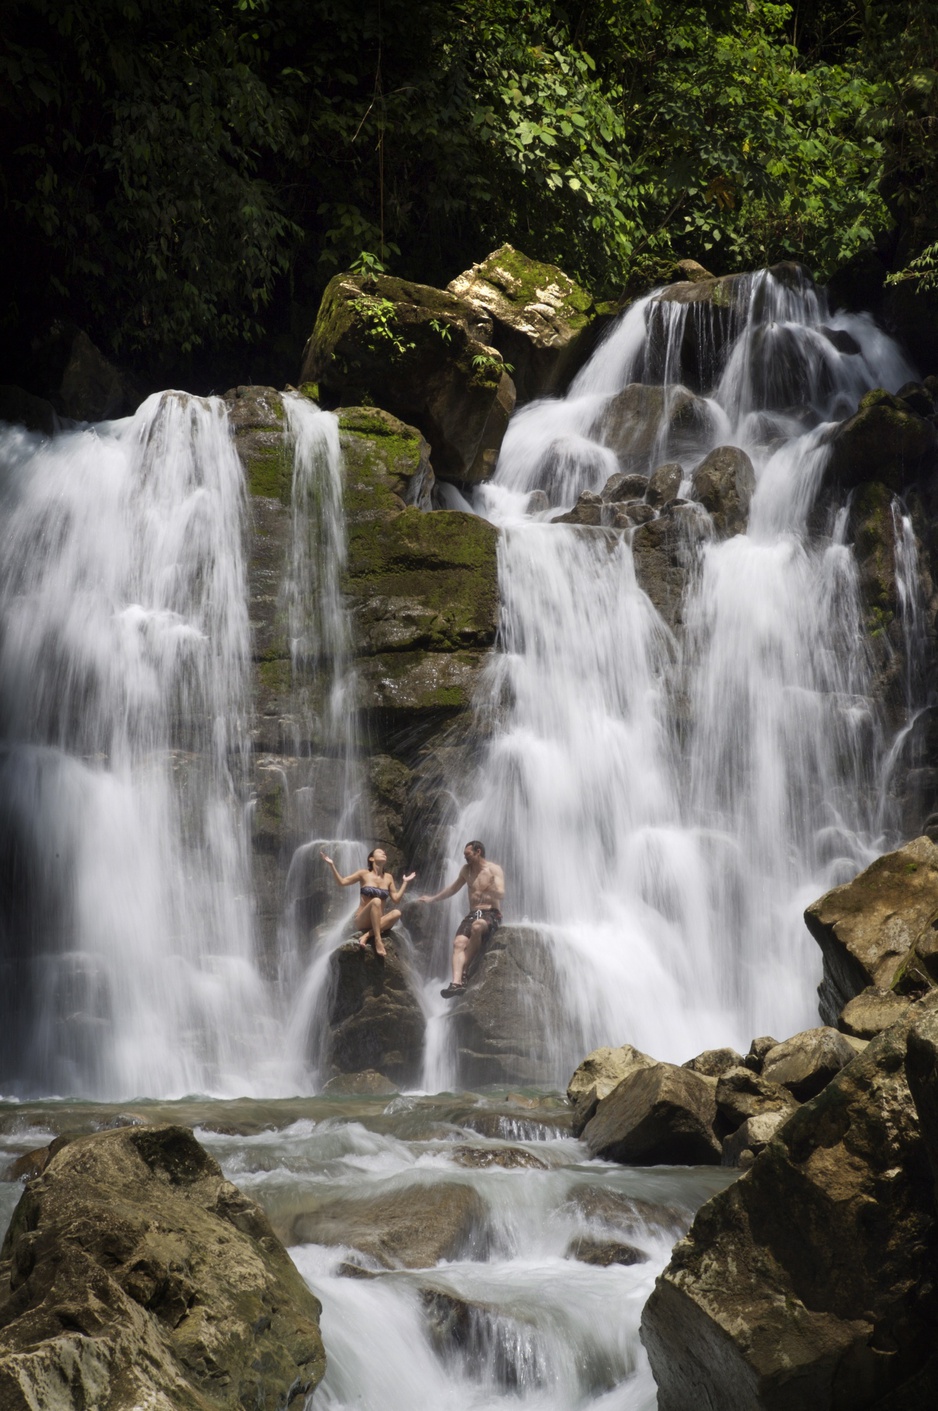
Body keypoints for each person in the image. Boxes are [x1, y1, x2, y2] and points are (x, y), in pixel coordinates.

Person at [417, 840, 505, 998]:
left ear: (478, 852)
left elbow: (501, 893)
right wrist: (433, 899)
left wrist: (489, 893)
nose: (465, 858)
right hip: (473, 913)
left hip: (491, 912)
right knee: (458, 943)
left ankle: (464, 971)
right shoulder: (466, 870)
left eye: (468, 854)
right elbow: (453, 888)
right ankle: (456, 983)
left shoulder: (494, 869)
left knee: (477, 926)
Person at [320, 847, 415, 957]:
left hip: (378, 920)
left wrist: (405, 882)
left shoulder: (388, 877)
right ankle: (378, 940)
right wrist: (332, 865)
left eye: (385, 853)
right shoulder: (363, 874)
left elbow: (396, 899)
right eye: (380, 852)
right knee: (376, 901)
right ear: (371, 858)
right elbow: (342, 882)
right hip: (362, 919)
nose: (384, 853)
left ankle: (367, 935)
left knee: (397, 913)